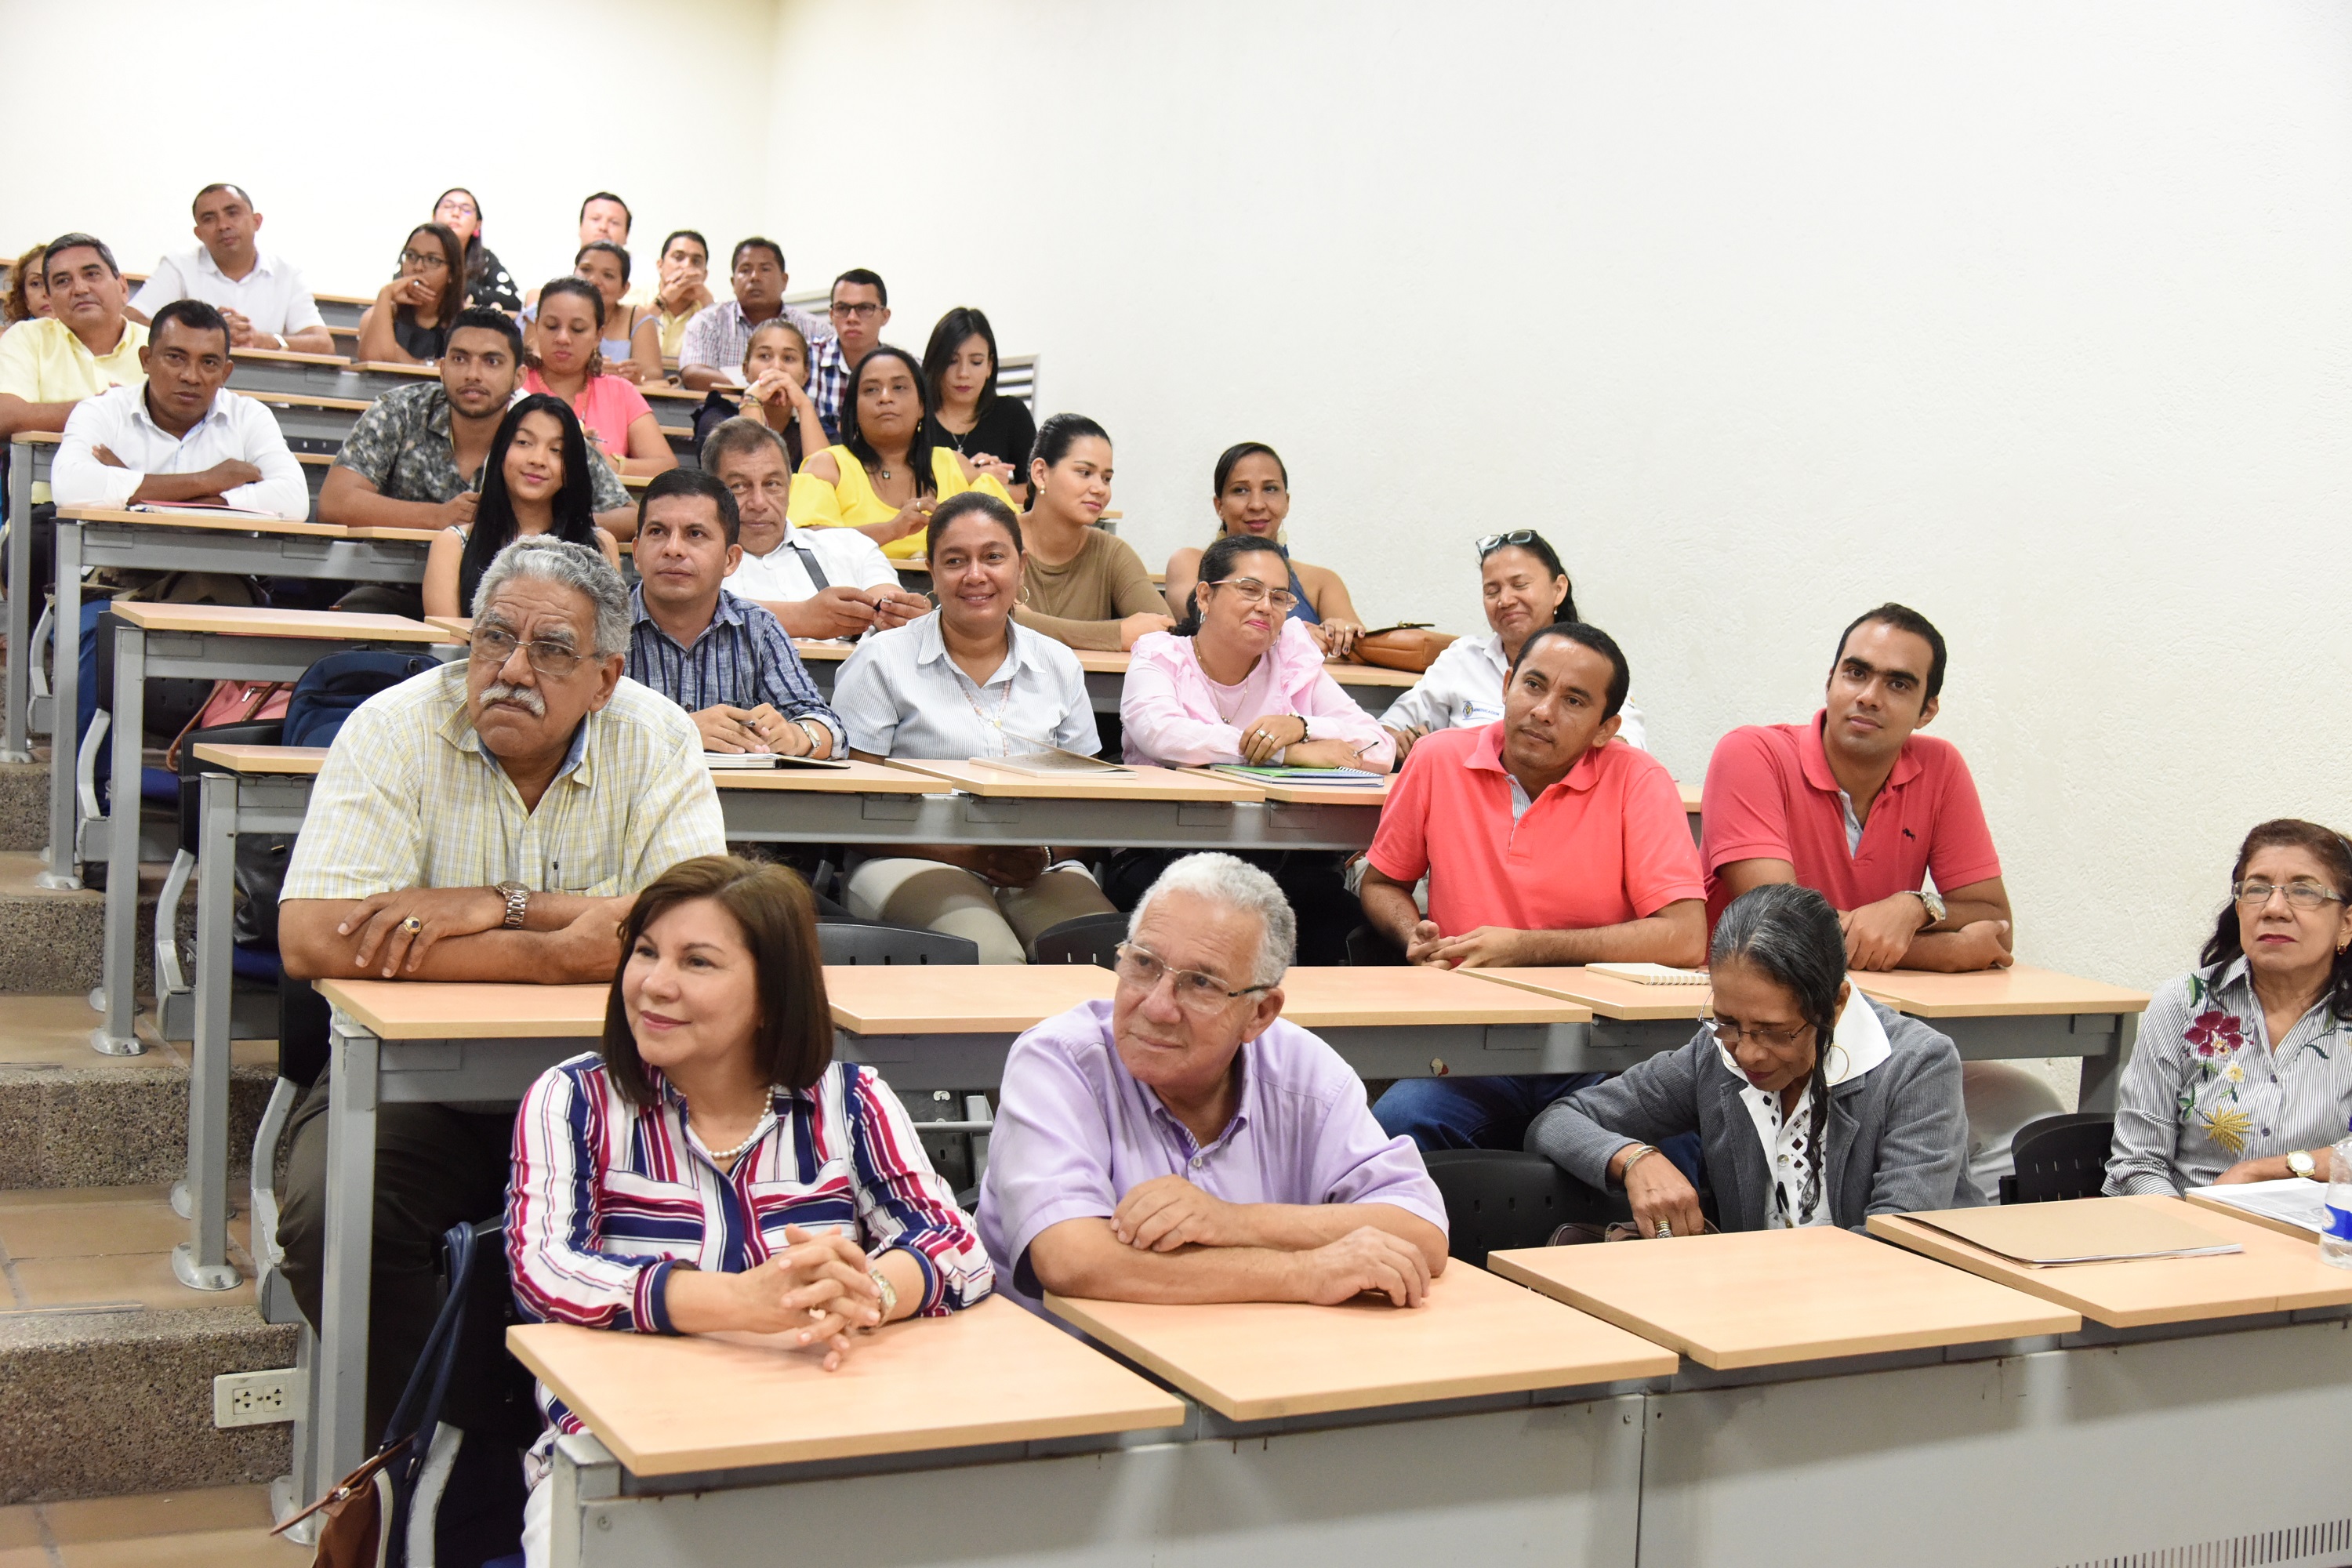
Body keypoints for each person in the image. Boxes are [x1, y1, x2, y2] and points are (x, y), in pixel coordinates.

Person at [277, 535, 726, 1447]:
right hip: (414, 1083)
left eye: (552, 650)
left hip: (611, 1083)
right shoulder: (394, 727)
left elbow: (692, 924)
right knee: (337, 1212)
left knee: (723, 1200)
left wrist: (493, 905)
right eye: (493, 639)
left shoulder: (658, 735)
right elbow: (314, 932)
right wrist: (558, 953)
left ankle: (640, 1446)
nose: (512, 670)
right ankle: (439, 1460)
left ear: (604, 677)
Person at [509, 853, 990, 1565]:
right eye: (645, 953)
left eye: (697, 963)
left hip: (822, 1433)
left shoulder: (849, 1102)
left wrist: (868, 1292)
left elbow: (959, 1245)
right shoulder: (575, 1098)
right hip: (620, 1450)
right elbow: (543, 1274)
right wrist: (736, 1301)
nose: (655, 984)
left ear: (771, 994)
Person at [978, 853, 1447, 1310]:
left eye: (1201, 983)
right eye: (1143, 964)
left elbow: (1421, 1230)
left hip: (1254, 1368)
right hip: (1076, 1375)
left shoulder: (1303, 1071)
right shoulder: (1062, 1060)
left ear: (1260, 1013)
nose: (1158, 1007)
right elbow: (1072, 1260)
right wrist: (1304, 1272)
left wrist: (1234, 1223)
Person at [1363, 619, 1704, 1151]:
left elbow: (1685, 937)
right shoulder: (1437, 761)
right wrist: (1411, 931)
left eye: (1573, 701)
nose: (1543, 711)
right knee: (1396, 1129)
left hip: (1602, 1050)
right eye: (1534, 685)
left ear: (1604, 728)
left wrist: (1526, 949)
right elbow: (1383, 883)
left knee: (1676, 1148)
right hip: (1469, 1043)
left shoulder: (1639, 782)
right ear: (1505, 687)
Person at [1527, 883, 1980, 1235]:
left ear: (1835, 1005)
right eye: (1727, 1021)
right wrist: (1634, 1158)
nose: (1746, 1051)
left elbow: (1896, 1244)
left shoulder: (1916, 1067)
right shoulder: (1714, 1055)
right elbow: (1559, 1121)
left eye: (1774, 1031)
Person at [832, 493, 1120, 963]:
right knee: (990, 956)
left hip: (1037, 865)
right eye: (955, 560)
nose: (975, 575)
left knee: (1103, 955)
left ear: (1020, 566)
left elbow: (1089, 799)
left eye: (993, 557)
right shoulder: (883, 661)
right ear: (931, 570)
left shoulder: (1057, 664)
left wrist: (1045, 854)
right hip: (909, 857)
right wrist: (970, 856)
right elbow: (848, 810)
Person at [1116, 534, 1393, 961]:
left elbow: (1380, 748)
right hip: (1172, 855)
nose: (1266, 606)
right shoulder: (1162, 654)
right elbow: (1160, 732)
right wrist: (1285, 752)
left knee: (1364, 944)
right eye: (1249, 590)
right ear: (1205, 596)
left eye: (1280, 597)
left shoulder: (1291, 659)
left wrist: (1301, 727)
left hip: (1286, 859)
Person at [1702, 603, 2014, 972]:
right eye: (1855, 673)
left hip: (1870, 1006)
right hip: (1734, 1009)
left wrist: (1915, 907)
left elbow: (1996, 924)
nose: (1868, 696)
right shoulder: (1751, 754)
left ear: (1927, 711)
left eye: (1898, 684)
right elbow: (1780, 927)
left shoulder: (1940, 768)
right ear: (1830, 681)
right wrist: (1947, 951)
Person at [2106, 820, 2352, 1197]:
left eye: (2303, 891)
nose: (2274, 908)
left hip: (2320, 1236)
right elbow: (2137, 1165)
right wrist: (2189, 1231)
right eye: (2257, 889)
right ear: (2239, 907)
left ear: (2346, 924)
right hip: (2190, 1228)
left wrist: (2266, 1171)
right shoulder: (2185, 1003)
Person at [325, 308, 633, 545]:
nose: (474, 374)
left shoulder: (543, 425)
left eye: (492, 362)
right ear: (443, 368)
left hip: (510, 600)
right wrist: (439, 517)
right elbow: (335, 501)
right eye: (460, 359)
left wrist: (545, 523)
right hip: (389, 587)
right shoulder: (399, 411)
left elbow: (629, 516)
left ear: (519, 376)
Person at [624, 467, 842, 757]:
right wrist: (680, 730)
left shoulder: (758, 628)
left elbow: (826, 725)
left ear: (731, 560)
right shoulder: (599, 624)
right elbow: (569, 732)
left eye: (695, 534)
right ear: (637, 552)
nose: (673, 549)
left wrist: (796, 735)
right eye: (658, 532)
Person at [1383, 530, 1648, 760]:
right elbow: (1385, 730)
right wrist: (1400, 741)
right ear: (1508, 684)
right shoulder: (1462, 659)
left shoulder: (1595, 665)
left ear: (1558, 589)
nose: (1505, 600)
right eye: (1492, 591)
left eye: (1520, 585)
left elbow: (1628, 747)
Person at [51, 299, 306, 517]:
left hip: (218, 567)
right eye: (175, 357)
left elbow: (293, 500)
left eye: (208, 362)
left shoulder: (249, 417)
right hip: (117, 569)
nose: (191, 376)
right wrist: (208, 481)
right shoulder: (103, 410)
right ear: (146, 360)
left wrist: (136, 492)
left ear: (225, 373)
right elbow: (70, 487)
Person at [702, 418, 928, 640]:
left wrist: (903, 616)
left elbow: (889, 603)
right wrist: (803, 617)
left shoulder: (852, 547)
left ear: (790, 488)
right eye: (739, 487)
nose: (759, 503)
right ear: (710, 496)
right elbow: (692, 615)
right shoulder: (694, 562)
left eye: (772, 484)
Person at [788, 346, 1012, 562]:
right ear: (854, 410)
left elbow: (1012, 535)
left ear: (922, 406)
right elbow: (805, 544)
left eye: (899, 387)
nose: (885, 398)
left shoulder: (956, 466)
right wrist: (890, 530)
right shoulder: (828, 466)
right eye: (871, 389)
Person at [423, 394, 622, 619]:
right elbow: (450, 648)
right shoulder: (453, 545)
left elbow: (607, 644)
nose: (538, 459)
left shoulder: (600, 546)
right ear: (500, 452)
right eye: (523, 443)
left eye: (556, 450)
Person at [1163, 443, 1366, 660]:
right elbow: (1204, 626)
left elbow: (1364, 654)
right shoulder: (1189, 564)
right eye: (1240, 490)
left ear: (1286, 503)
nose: (1257, 504)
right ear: (1219, 506)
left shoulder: (1322, 582)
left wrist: (1342, 635)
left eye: (1270, 489)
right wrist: (1295, 638)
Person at [0, 235, 148, 514]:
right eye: (62, 282)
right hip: (48, 510)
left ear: (123, 287)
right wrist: (104, 409)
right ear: (51, 301)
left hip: (146, 506)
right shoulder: (27, 337)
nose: (80, 288)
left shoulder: (160, 345)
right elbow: (6, 415)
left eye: (91, 274)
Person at [1008, 414, 1171, 651]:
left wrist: (1029, 622)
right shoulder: (998, 541)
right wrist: (1116, 635)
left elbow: (1165, 631)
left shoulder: (1111, 552)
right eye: (1085, 473)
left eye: (1106, 478)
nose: (1099, 489)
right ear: (1041, 473)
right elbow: (998, 623)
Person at [125, 183, 333, 354]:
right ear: (199, 233)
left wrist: (264, 340)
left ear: (256, 221)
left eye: (232, 213)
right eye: (209, 218)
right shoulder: (179, 266)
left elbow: (323, 344)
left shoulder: (287, 273)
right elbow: (130, 320)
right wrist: (200, 332)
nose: (223, 225)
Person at [521, 278, 674, 478]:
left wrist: (606, 463)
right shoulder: (516, 385)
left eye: (577, 329)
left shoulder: (621, 391)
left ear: (598, 336)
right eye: (551, 326)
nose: (563, 338)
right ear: (537, 326)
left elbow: (666, 466)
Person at [677, 238, 833, 393]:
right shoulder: (708, 322)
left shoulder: (817, 329)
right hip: (726, 411)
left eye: (765, 269)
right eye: (745, 270)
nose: (754, 277)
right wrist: (757, 391)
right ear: (733, 283)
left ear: (784, 281)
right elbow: (693, 373)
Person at [922, 307, 1033, 506]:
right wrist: (976, 477)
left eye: (976, 362)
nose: (963, 373)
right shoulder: (916, 417)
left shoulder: (1012, 414)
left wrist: (996, 485)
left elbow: (1038, 492)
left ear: (989, 366)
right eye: (951, 361)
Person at [355, 223, 467, 366]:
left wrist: (407, 360)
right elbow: (376, 362)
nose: (418, 267)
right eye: (411, 256)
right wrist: (385, 294)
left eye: (432, 260)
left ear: (452, 273)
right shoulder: (378, 314)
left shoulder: (466, 323)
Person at [729, 318, 829, 470]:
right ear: (746, 369)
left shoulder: (823, 429)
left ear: (805, 374)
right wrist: (751, 401)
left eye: (788, 358)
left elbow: (823, 483)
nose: (776, 367)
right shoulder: (718, 419)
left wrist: (804, 405)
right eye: (764, 356)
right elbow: (755, 473)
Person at [563, 241, 664, 384]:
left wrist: (635, 378)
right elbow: (535, 363)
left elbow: (652, 375)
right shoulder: (550, 309)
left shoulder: (636, 317)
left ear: (624, 289)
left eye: (608, 275)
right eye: (586, 269)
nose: (593, 280)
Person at [807, 269, 888, 441]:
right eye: (842, 308)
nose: (852, 318)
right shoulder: (808, 358)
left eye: (864, 308)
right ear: (831, 315)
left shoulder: (906, 367)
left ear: (885, 316)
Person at [431, 187, 521, 314]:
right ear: (434, 217)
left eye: (466, 210)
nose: (456, 213)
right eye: (448, 206)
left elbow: (513, 302)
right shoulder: (417, 250)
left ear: (477, 225)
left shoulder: (485, 258)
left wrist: (461, 287)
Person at [628, 228, 713, 359]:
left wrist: (709, 304)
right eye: (678, 258)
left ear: (705, 274)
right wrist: (663, 300)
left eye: (696, 262)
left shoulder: (709, 308)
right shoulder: (636, 294)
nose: (686, 266)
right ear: (660, 265)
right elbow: (624, 339)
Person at [3, 244, 47, 329]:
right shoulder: (14, 339)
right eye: (36, 283)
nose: (46, 293)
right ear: (24, 297)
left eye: (60, 281)